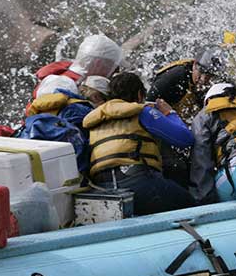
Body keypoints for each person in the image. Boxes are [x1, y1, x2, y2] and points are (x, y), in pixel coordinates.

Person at [82, 72, 195, 215]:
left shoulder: (94, 120)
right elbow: (185, 139)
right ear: (140, 95)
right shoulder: (142, 112)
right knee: (192, 206)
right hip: (137, 182)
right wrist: (169, 113)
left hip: (102, 188)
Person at [147, 46, 228, 187]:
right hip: (162, 125)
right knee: (176, 165)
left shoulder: (218, 81)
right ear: (195, 64)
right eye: (201, 72)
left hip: (183, 124)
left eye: (209, 76)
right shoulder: (174, 78)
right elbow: (146, 107)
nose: (203, 80)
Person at [29, 34, 123, 108]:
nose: (112, 73)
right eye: (112, 67)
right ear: (98, 64)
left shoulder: (64, 76)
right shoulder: (64, 84)